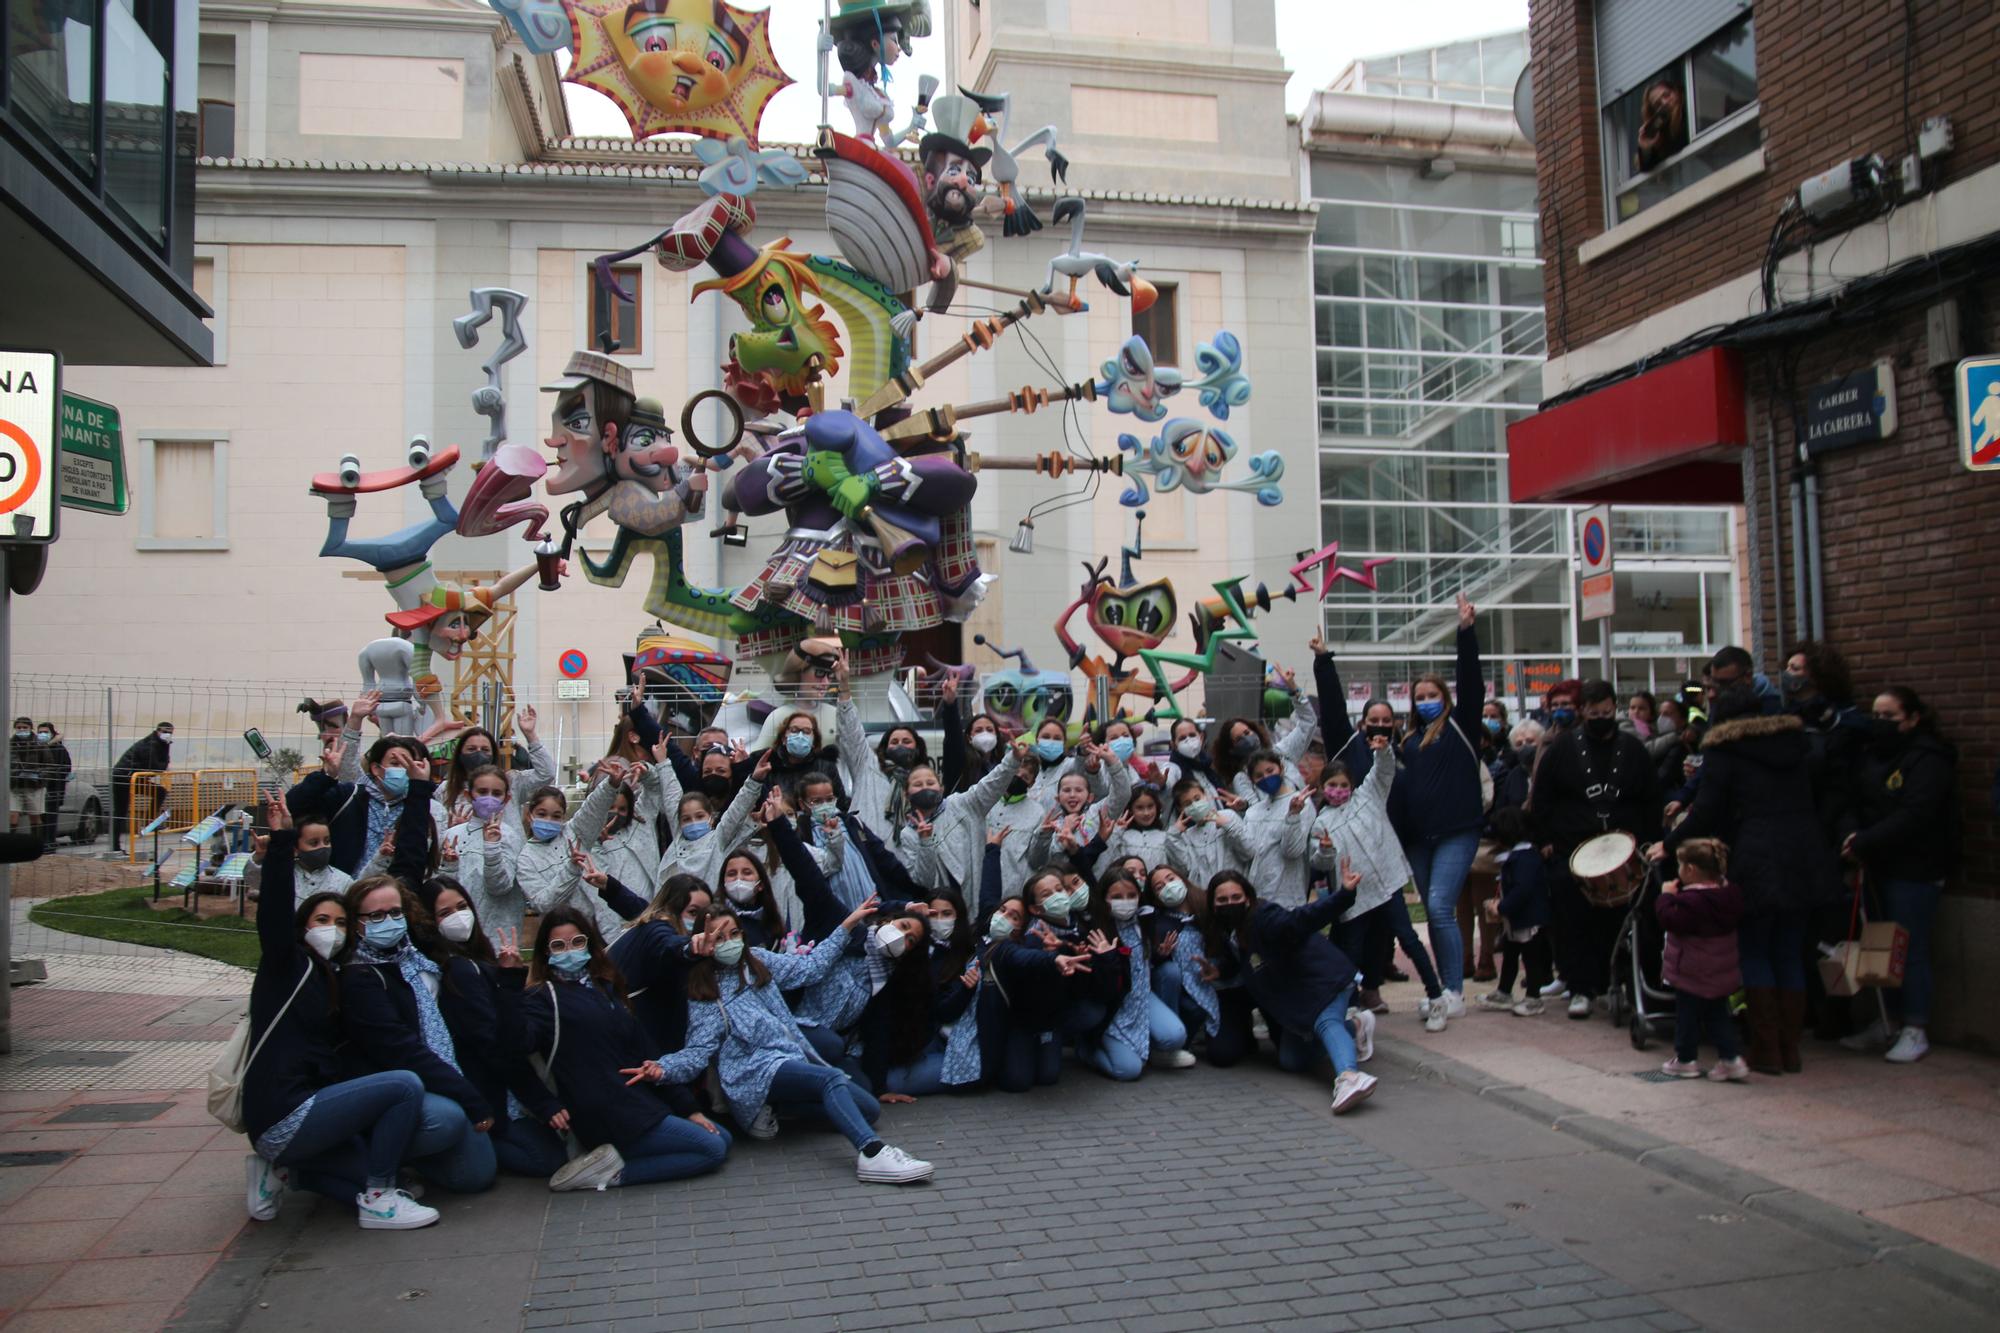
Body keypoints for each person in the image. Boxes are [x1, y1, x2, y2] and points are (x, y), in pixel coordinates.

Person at [239, 791, 440, 1231]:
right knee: (404, 1086)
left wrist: (418, 797)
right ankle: (378, 1196)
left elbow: (402, 875)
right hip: (282, 1110)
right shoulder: (285, 967)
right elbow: (272, 915)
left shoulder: (338, 976)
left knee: (397, 1177)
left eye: (342, 922)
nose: (333, 930)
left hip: (308, 1110)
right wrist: (282, 841)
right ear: (301, 929)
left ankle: (284, 1171)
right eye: (322, 921)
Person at [634, 897, 939, 1185]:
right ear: (705, 942)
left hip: (788, 1056)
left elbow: (811, 968)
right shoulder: (706, 993)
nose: (730, 942)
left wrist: (848, 926)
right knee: (829, 1079)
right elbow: (697, 1051)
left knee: (868, 1108)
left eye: (734, 933)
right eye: (720, 937)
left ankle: (777, 1107)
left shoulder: (757, 961)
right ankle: (872, 1154)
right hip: (752, 1071)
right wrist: (663, 1069)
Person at [1657, 661, 1835, 1075]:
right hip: (1804, 851)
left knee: (1755, 949)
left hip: (1756, 854)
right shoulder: (1794, 742)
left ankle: (1766, 1050)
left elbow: (1709, 809)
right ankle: (1790, 1050)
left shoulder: (1724, 747)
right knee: (1790, 949)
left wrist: (1668, 846)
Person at [520, 908, 732, 1192]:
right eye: (559, 945)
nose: (569, 951)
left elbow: (645, 1050)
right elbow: (518, 1044)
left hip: (636, 1102)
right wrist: (510, 981)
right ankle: (612, 1173)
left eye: (577, 942)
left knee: (723, 1138)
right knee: (712, 1149)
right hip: (605, 1112)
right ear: (546, 952)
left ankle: (619, 1158)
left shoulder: (603, 987)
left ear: (590, 943)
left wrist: (689, 1109)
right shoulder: (541, 999)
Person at [1841, 686, 1958, 1064]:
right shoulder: (1872, 756)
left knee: (1910, 948)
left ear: (1912, 718)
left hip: (1915, 867)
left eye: (1889, 716)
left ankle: (1916, 1026)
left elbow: (1916, 813)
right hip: (1877, 863)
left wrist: (1867, 840)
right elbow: (1855, 800)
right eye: (1875, 715)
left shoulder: (1928, 759)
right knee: (1879, 945)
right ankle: (1886, 1019)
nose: (1880, 723)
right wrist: (1854, 837)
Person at [1530, 679, 1661, 1019]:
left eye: (1606, 712)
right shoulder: (1562, 749)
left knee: (1623, 919)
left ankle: (1617, 981)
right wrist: (1546, 841)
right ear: (1583, 712)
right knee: (1573, 921)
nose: (1600, 718)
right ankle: (1580, 986)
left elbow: (1650, 799)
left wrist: (1648, 842)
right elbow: (1541, 798)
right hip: (1572, 848)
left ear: (1614, 709)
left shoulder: (1632, 749)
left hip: (1624, 847)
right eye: (1593, 713)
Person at [1203, 869, 1378, 1114]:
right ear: (1212, 904)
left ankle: (1348, 1077)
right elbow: (1245, 959)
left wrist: (1344, 895)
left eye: (1235, 897)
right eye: (1222, 900)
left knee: (1325, 1022)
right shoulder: (1229, 930)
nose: (1230, 904)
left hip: (1324, 981)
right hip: (1299, 997)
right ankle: (1357, 1026)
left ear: (1248, 898)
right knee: (1292, 1060)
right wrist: (1219, 971)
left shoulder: (1265, 917)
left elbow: (1303, 919)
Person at [425, 883, 570, 1179]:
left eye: (462, 907)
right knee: (545, 1160)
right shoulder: (459, 971)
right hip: (493, 1092)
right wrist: (540, 1101)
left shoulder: (475, 961)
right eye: (445, 913)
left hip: (505, 1087)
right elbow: (493, 1042)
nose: (458, 917)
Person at [1393, 593, 1487, 1015]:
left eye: (1432, 694)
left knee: (1438, 906)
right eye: (1419, 695)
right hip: (1419, 838)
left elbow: (1472, 683)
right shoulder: (1408, 740)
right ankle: (1443, 989)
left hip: (1457, 832)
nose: (1425, 700)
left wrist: (1465, 632)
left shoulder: (1461, 728)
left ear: (1445, 699)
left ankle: (1453, 991)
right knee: (1433, 913)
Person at [1654, 837, 1748, 1082]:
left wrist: (1665, 896)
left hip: (1692, 970)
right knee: (1718, 1014)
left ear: (1691, 870)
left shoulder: (1691, 902)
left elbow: (1668, 919)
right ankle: (1731, 1059)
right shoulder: (1730, 894)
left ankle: (1685, 1059)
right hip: (1720, 970)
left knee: (1687, 1015)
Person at [1476, 807, 1551, 1016]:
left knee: (1531, 960)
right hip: (1517, 920)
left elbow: (1522, 890)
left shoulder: (1525, 858)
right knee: (1510, 955)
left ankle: (1534, 998)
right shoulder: (1520, 856)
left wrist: (1501, 906)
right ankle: (1504, 992)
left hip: (1530, 921)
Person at [439, 710, 553, 826]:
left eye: (485, 750)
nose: (479, 754)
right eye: (471, 749)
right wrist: (452, 829)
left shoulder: (511, 781)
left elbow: (546, 774)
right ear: (460, 754)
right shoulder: (445, 790)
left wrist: (530, 735)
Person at [110, 721, 173, 851]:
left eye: (170, 732)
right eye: (165, 731)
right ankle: (115, 846)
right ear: (158, 731)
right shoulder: (149, 745)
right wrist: (164, 763)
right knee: (120, 812)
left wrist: (166, 749)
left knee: (159, 791)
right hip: (123, 777)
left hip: (134, 778)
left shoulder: (161, 744)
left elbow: (161, 764)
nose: (168, 734)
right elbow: (156, 767)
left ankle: (149, 821)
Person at [8, 716, 45, 839]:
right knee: (12, 815)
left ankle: (37, 842)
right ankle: (10, 844)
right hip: (14, 785)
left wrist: (40, 776)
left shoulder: (39, 744)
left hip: (34, 786)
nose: (22, 730)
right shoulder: (9, 744)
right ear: (15, 729)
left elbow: (49, 764)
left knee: (34, 816)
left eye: (25, 727)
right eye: (19, 727)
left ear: (31, 728)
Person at [36, 722, 69, 849]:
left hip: (54, 788)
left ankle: (50, 842)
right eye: (40, 732)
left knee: (51, 817)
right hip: (39, 788)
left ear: (52, 733)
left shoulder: (59, 749)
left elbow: (65, 768)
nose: (42, 735)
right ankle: (42, 842)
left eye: (45, 732)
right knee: (41, 817)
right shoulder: (35, 748)